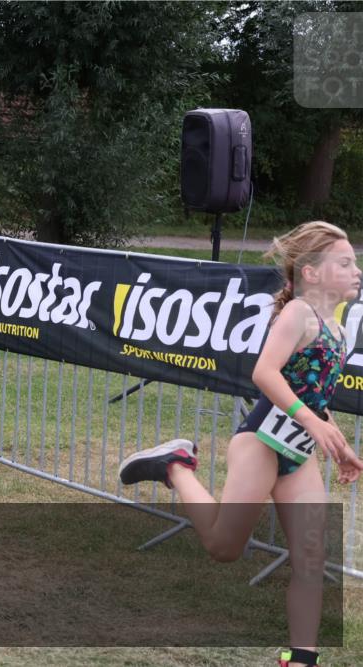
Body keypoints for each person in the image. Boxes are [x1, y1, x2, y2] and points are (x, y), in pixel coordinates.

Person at [119, 221, 363, 667]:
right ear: (310, 273)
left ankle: (301, 658)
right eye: (345, 263)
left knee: (312, 557)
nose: (356, 270)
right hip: (261, 442)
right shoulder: (299, 314)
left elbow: (314, 396)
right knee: (223, 547)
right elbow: (264, 374)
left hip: (297, 454)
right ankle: (175, 464)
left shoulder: (339, 330)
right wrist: (311, 420)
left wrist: (338, 441)